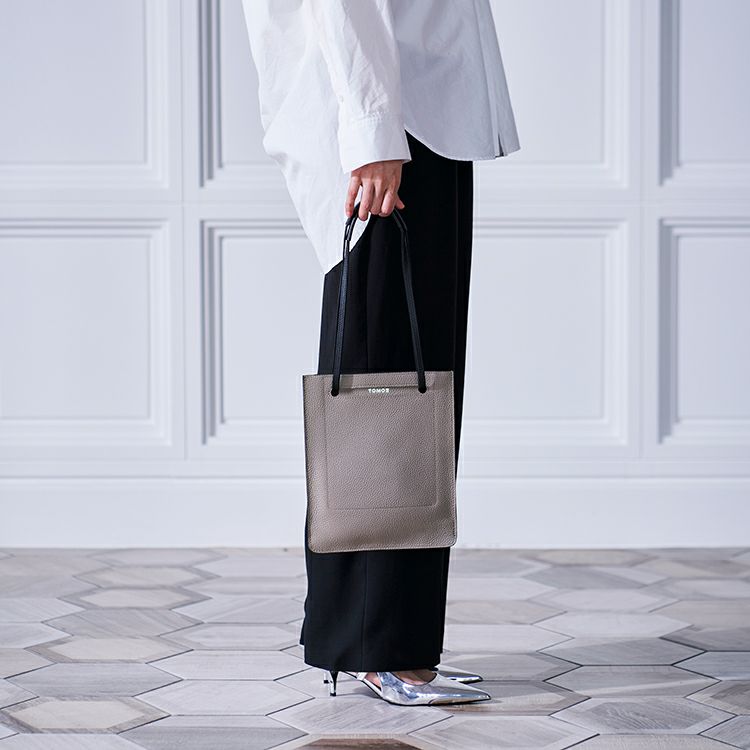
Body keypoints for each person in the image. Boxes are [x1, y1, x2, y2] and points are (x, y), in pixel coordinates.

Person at [241, 0, 520, 707]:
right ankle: (375, 645)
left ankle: (401, 642)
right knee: (382, 385)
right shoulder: (381, 131)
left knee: (418, 394)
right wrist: (371, 132)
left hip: (420, 119)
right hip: (392, 128)